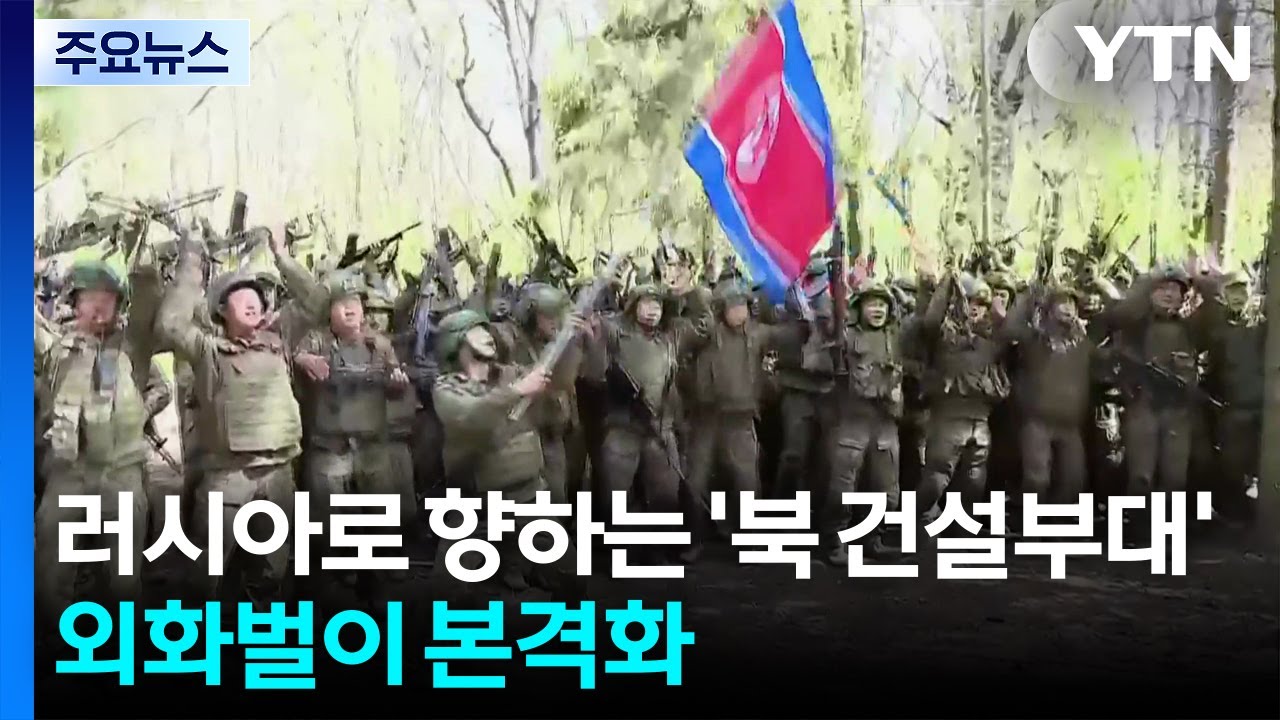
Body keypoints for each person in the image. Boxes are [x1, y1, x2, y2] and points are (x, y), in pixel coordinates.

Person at [157, 230, 304, 605]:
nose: (251, 302)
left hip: (279, 474)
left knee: (272, 571)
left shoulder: (279, 342)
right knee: (207, 571)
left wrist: (282, 256)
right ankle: (197, 635)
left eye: (256, 297)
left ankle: (261, 633)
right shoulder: (208, 352)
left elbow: (317, 304)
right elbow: (171, 325)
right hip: (228, 475)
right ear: (221, 309)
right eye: (240, 297)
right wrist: (191, 262)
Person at [34, 259, 168, 631]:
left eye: (107, 298)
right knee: (52, 571)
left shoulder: (132, 348)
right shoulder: (56, 349)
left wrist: (139, 413)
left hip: (121, 472)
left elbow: (161, 388)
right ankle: (60, 643)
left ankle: (123, 645)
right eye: (89, 298)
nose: (98, 306)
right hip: (69, 472)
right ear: (74, 303)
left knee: (124, 578)